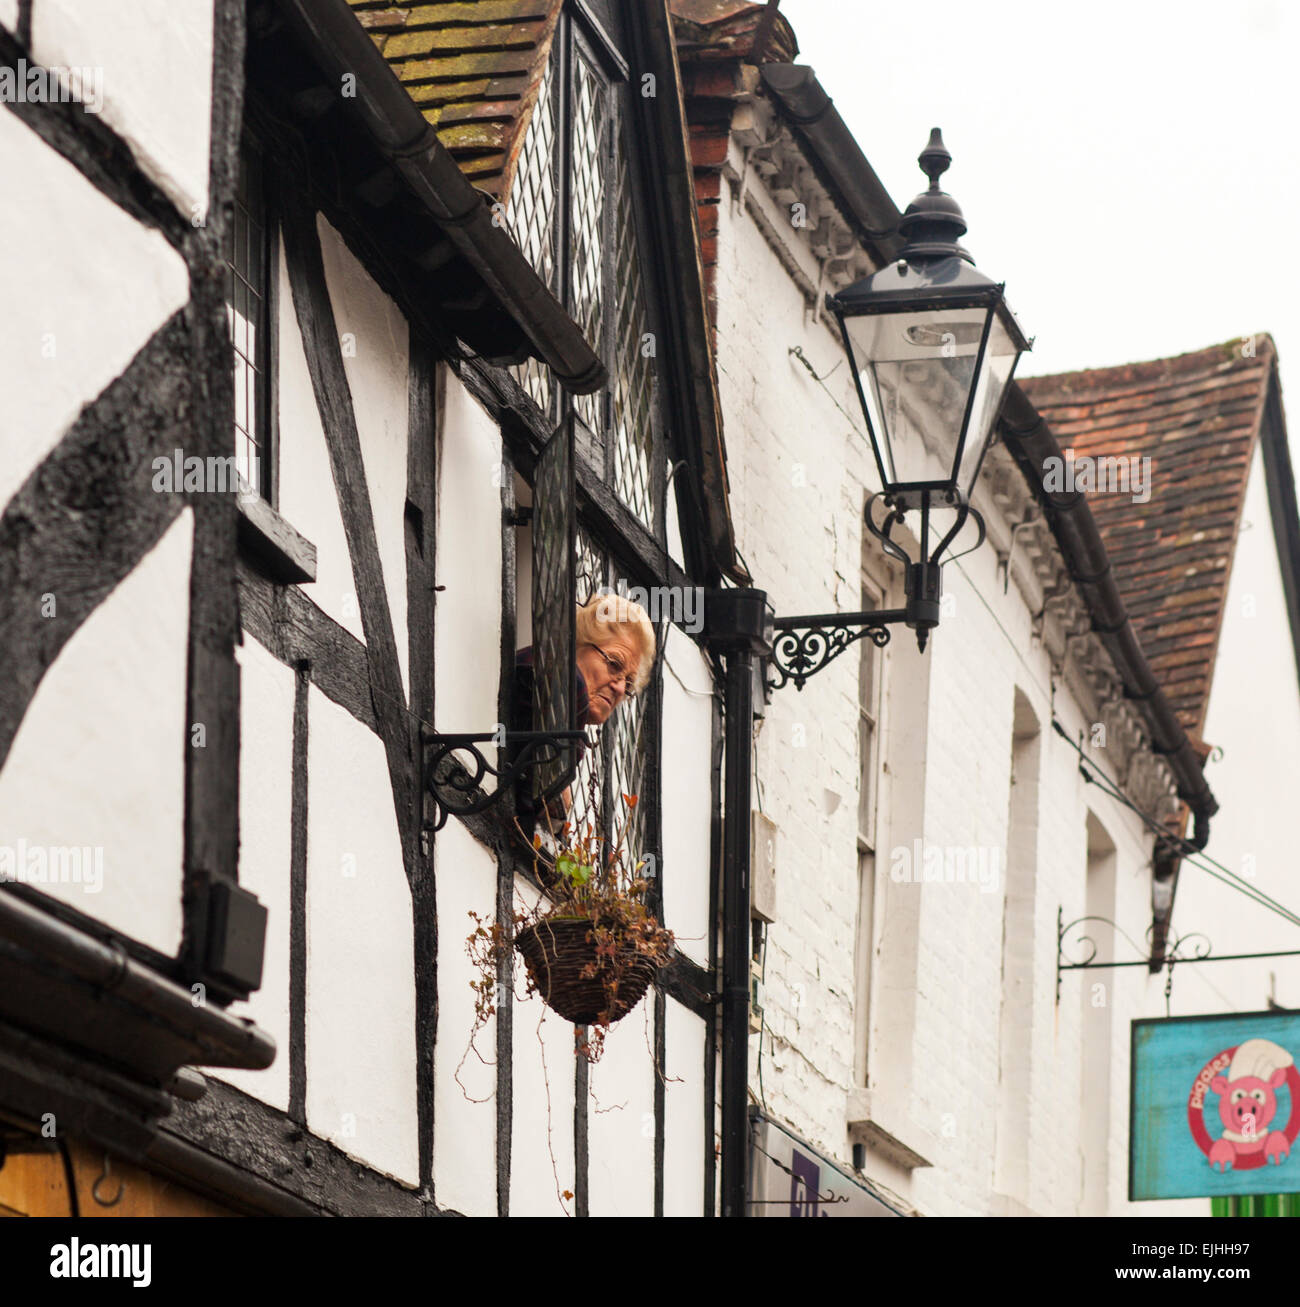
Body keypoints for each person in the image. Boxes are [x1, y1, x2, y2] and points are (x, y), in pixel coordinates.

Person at [513, 594, 655, 818]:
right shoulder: (569, 684)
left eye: (628, 683)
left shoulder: (557, 697)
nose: (620, 688)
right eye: (614, 664)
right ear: (576, 644)